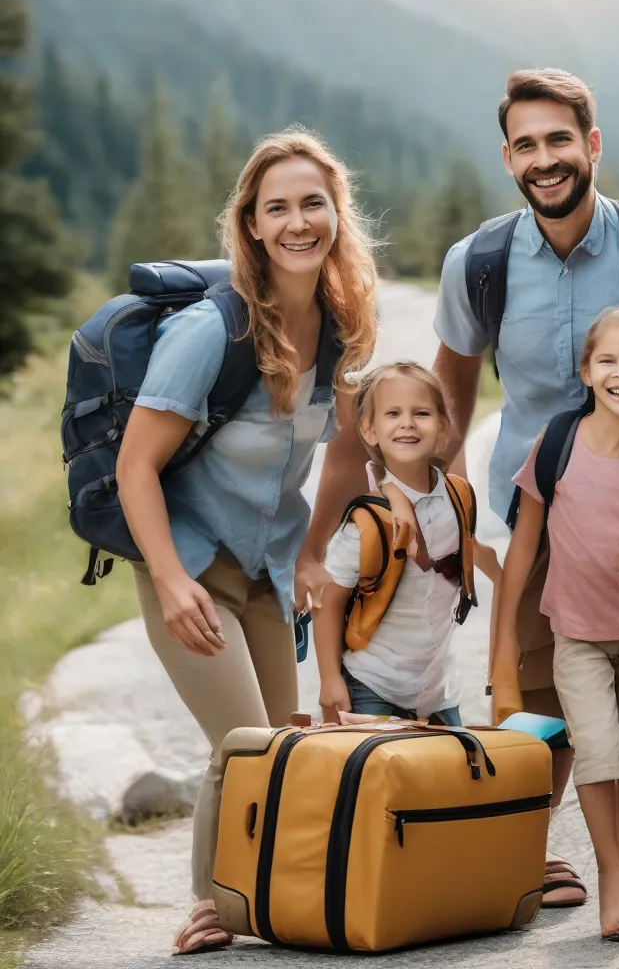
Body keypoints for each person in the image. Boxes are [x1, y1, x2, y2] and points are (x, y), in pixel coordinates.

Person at [295, 67, 619, 906]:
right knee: (532, 693)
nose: (545, 159)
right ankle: (518, 855)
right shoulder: (479, 262)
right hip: (537, 513)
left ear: (592, 146)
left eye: (560, 140)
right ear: (507, 159)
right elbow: (447, 394)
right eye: (526, 145)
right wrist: (437, 511)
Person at [116, 129, 379, 956]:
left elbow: (342, 458)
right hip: (191, 565)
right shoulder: (210, 331)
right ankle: (207, 907)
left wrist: (312, 554)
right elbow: (135, 466)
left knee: (282, 745)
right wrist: (168, 581)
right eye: (279, 208)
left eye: (313, 203)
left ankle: (262, 896)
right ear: (253, 226)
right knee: (243, 748)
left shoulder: (339, 328)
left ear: (337, 212)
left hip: (265, 573)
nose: (299, 221)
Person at [493, 306, 619, 941]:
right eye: (607, 360)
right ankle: (611, 874)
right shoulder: (555, 447)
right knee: (598, 749)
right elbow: (523, 548)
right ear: (586, 371)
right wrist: (502, 646)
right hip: (574, 636)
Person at [315, 362, 496, 725]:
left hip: (438, 689)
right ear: (369, 428)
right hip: (372, 686)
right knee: (380, 779)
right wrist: (329, 680)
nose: (407, 423)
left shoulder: (458, 497)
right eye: (393, 413)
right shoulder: (365, 526)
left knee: (450, 779)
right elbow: (328, 602)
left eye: (422, 413)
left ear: (443, 427)